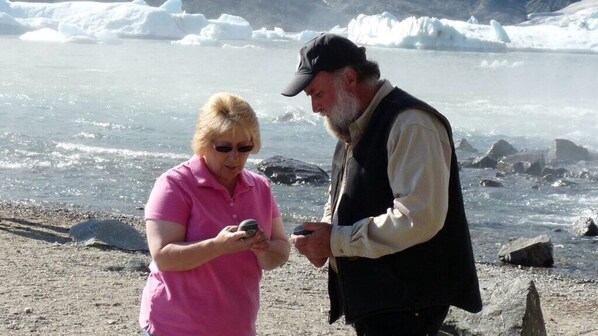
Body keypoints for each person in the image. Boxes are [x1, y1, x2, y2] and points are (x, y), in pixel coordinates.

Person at [283, 34, 482, 335]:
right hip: (383, 302)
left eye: (317, 93)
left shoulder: (410, 124)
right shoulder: (353, 123)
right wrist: (322, 237)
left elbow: (419, 218)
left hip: (408, 304)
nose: (314, 107)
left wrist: (336, 240)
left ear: (349, 78)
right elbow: (340, 193)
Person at [139, 92, 290, 336]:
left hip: (237, 328)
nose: (235, 157)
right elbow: (164, 257)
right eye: (224, 147)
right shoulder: (175, 185)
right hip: (175, 327)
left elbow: (281, 248)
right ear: (204, 142)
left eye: (244, 147)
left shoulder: (260, 187)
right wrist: (217, 246)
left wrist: (263, 249)